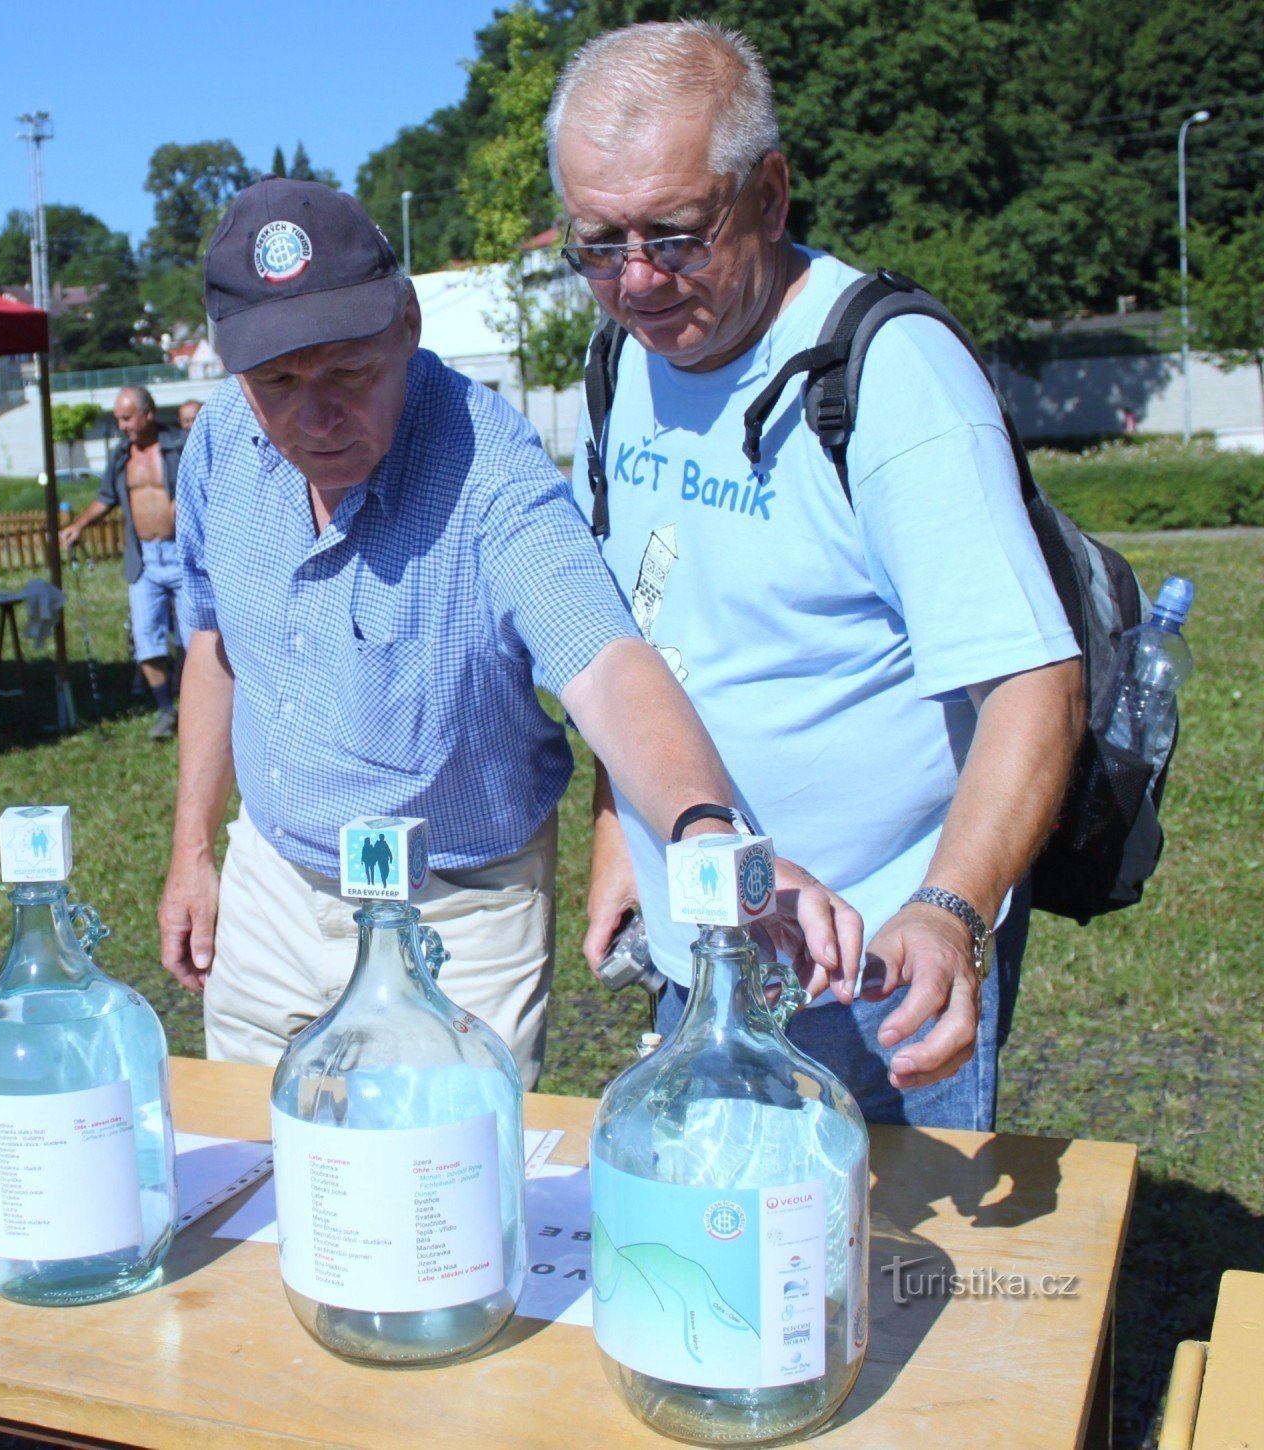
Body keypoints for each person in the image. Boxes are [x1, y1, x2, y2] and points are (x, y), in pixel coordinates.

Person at [159, 178, 860, 1087]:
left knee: (446, 1195)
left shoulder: (489, 467)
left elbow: (604, 662)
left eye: (349, 373)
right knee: (264, 1180)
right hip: (273, 888)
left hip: (455, 913)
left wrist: (707, 832)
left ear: (407, 323)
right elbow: (218, 649)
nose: (315, 416)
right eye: (278, 384)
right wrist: (192, 851)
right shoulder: (221, 443)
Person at [550, 21, 1083, 1128]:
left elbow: (1033, 685)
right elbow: (637, 623)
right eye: (596, 243)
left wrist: (948, 909)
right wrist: (617, 829)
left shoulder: (888, 379)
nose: (635, 280)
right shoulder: (618, 361)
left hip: (874, 960)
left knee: (882, 1279)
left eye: (676, 234)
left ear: (771, 194)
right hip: (702, 935)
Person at [58, 388, 189, 738]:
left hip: (183, 555)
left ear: (148, 414)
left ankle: (194, 707)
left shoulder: (179, 445)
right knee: (146, 638)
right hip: (143, 558)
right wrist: (78, 526)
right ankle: (165, 709)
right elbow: (106, 498)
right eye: (118, 418)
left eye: (127, 417)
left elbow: (212, 484)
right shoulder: (120, 456)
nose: (122, 425)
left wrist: (188, 502)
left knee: (194, 640)